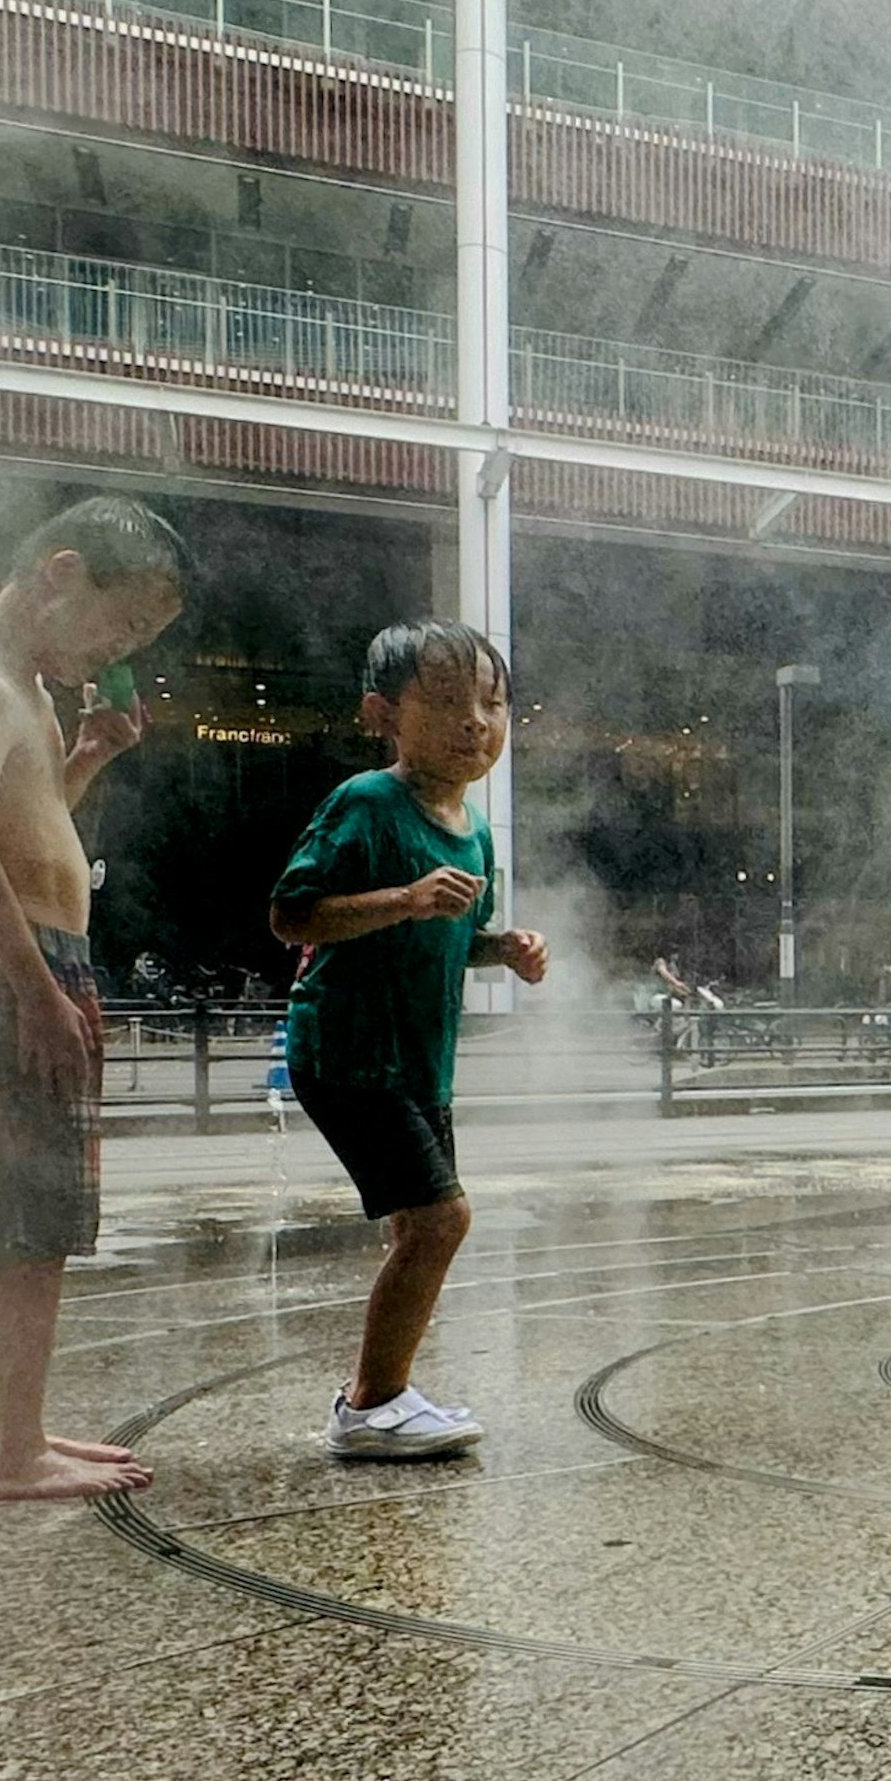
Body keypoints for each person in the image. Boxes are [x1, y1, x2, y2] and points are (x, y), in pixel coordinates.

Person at [0, 495, 185, 1502]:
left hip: (25, 960)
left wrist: (90, 756)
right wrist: (36, 992)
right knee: (30, 1220)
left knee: (33, 1217)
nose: (115, 649)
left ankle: (4, 1434)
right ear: (59, 574)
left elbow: (31, 821)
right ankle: (10, 1453)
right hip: (5, 966)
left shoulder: (19, 690)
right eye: (120, 625)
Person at [270, 620, 549, 1462]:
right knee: (441, 1220)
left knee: (416, 1227)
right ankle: (371, 1402)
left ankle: (386, 1395)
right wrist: (405, 897)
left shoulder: (475, 828)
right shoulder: (366, 803)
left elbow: (452, 936)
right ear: (381, 713)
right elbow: (291, 914)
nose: (477, 721)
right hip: (350, 1053)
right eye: (448, 701)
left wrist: (503, 947)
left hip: (420, 1061)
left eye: (494, 703)